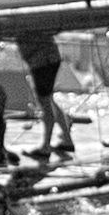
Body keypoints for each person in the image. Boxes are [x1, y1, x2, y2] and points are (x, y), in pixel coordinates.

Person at [16, 27, 74, 163]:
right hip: (48, 59)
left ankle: (45, 147)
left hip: (41, 62)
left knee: (45, 103)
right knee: (48, 99)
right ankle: (67, 140)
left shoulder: (25, 21)